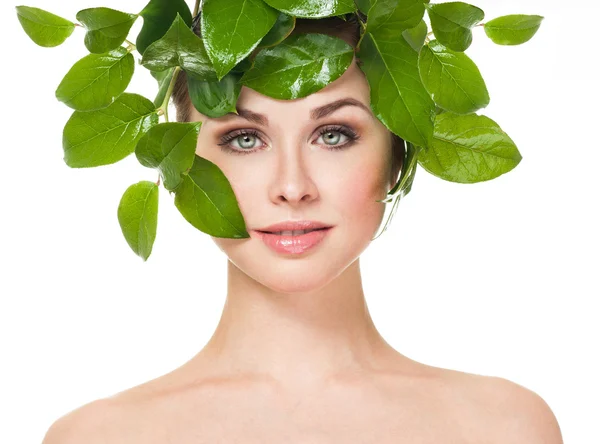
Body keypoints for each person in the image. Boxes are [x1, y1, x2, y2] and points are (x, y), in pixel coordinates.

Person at [41, 12, 563, 444]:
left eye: (333, 135)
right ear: (181, 159)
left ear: (398, 155)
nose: (292, 186)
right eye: (244, 139)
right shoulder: (96, 436)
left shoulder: (506, 428)